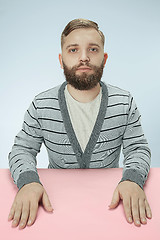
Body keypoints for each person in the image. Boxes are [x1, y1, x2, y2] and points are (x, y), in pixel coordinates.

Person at [8, 18, 152, 229]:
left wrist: (132, 179)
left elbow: (137, 148)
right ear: (61, 59)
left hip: (111, 206)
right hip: (55, 208)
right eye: (73, 50)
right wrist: (28, 182)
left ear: (104, 58)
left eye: (92, 49)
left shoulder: (124, 102)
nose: (84, 58)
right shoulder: (41, 104)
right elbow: (22, 149)